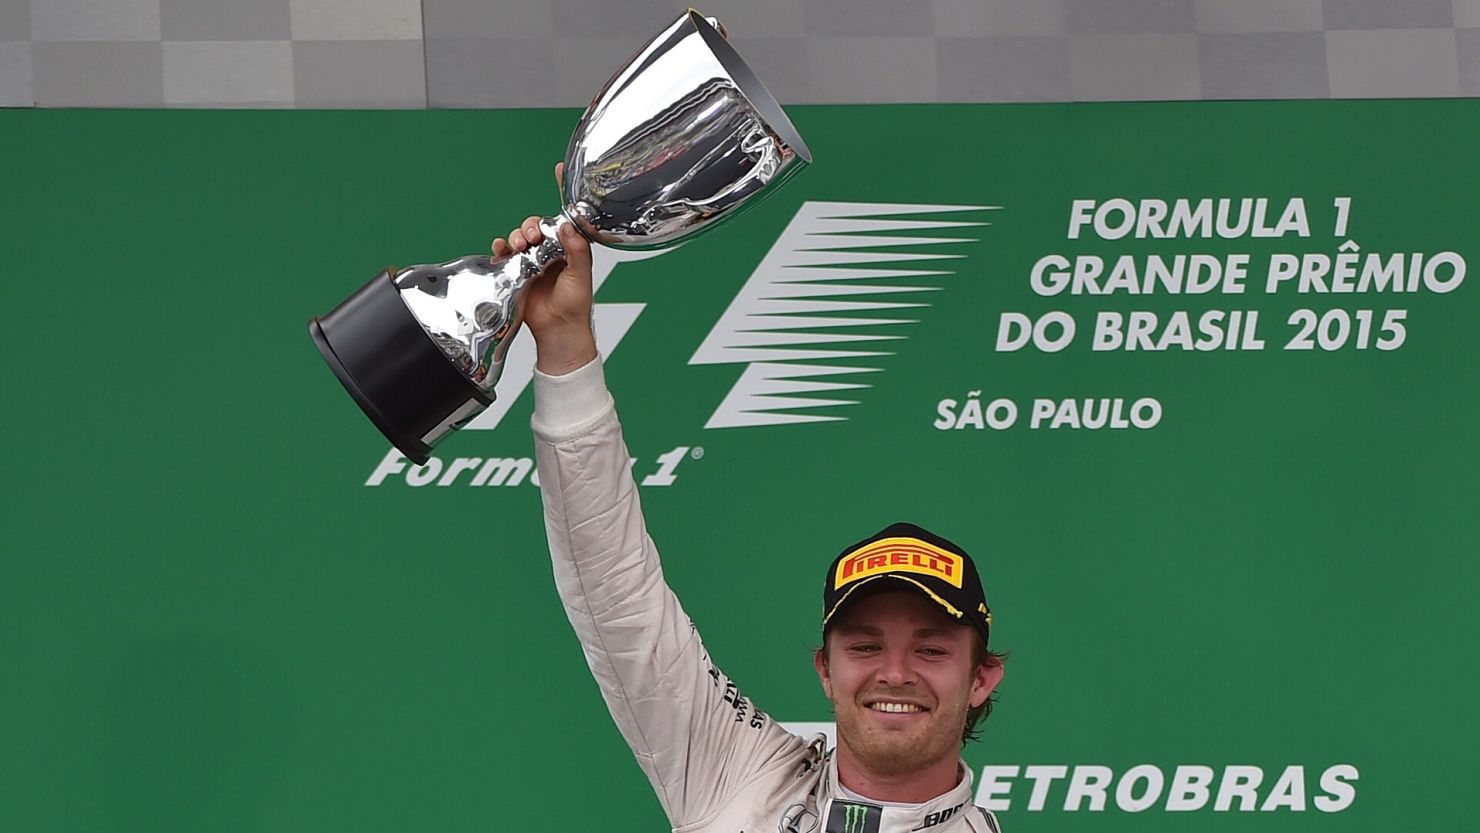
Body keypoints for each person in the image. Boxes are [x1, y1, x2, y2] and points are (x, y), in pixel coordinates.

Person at [493, 173, 1007, 833]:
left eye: (933, 649)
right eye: (865, 644)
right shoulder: (738, 769)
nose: (895, 673)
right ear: (826, 669)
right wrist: (565, 344)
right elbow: (619, 598)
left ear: (982, 678)